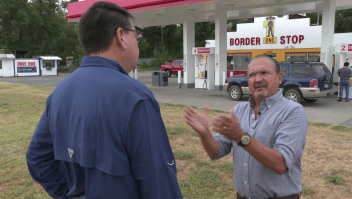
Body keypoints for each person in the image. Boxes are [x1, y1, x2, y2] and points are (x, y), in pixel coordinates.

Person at [26, 2, 182, 199]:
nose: (137, 43)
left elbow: (37, 158)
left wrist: (67, 194)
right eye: (136, 36)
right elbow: (160, 184)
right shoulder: (134, 96)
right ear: (120, 36)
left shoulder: (60, 92)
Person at [185, 55, 308, 199]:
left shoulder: (292, 111)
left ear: (279, 77)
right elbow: (215, 152)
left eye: (264, 73)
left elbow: (280, 165)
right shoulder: (238, 110)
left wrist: (241, 137)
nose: (258, 79)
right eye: (252, 75)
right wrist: (205, 133)